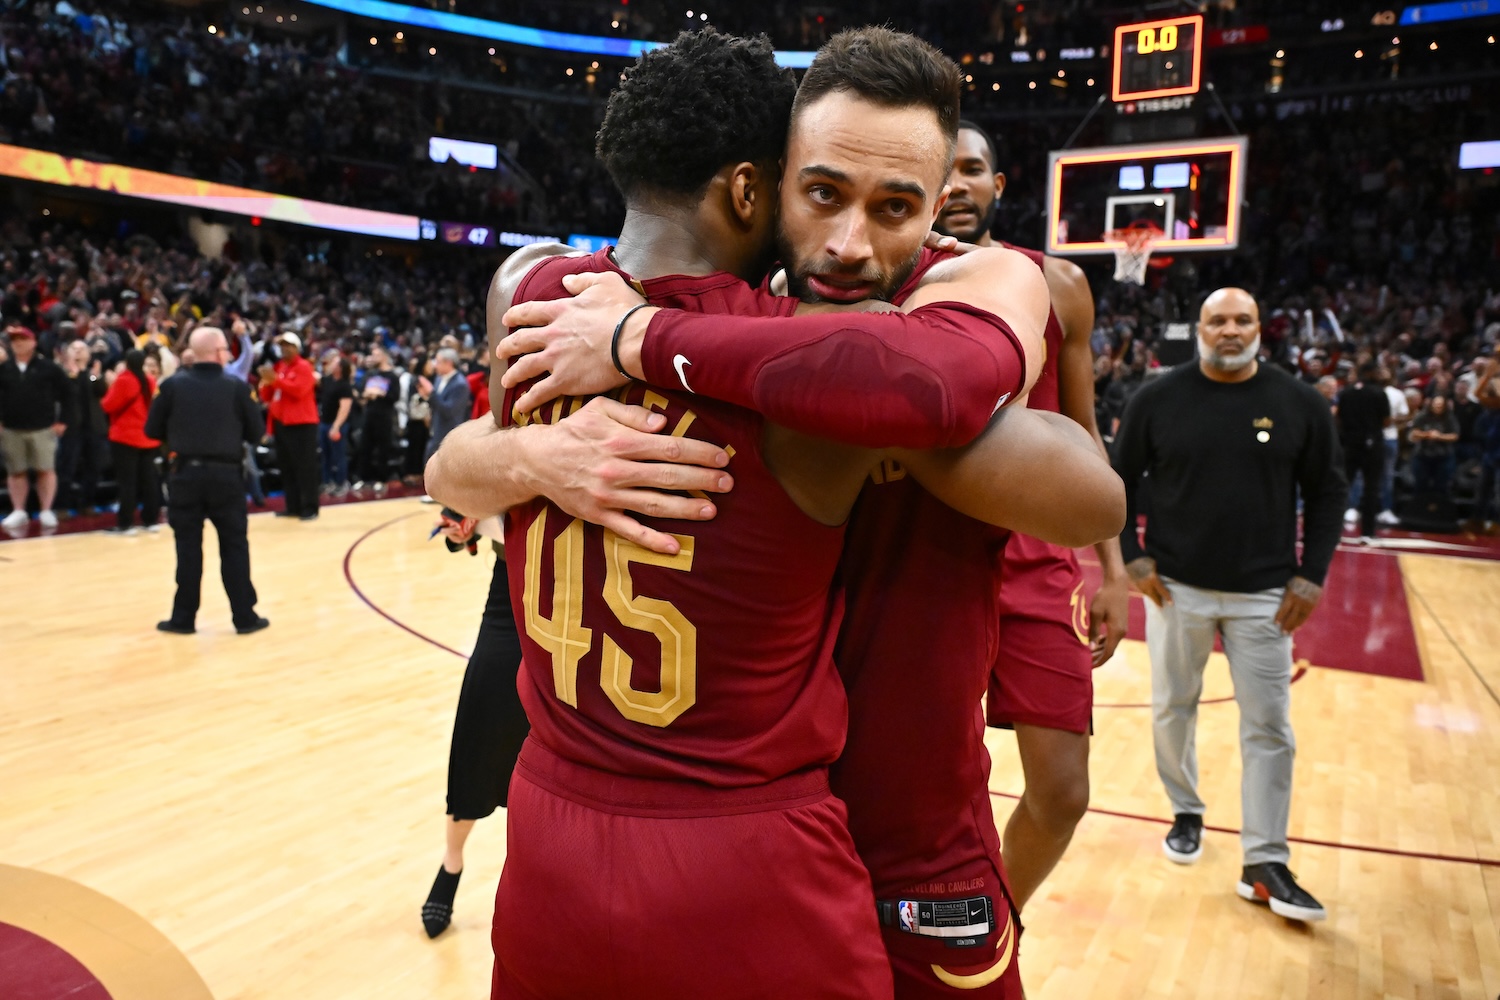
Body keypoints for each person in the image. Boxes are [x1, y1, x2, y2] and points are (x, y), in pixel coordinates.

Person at [431, 28, 1122, 1000]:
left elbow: (1088, 488)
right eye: (824, 193)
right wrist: (527, 455)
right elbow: (451, 469)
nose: (848, 242)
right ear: (770, 183)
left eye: (894, 209)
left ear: (940, 214)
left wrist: (642, 340)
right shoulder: (687, 315)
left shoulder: (958, 297)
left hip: (903, 835)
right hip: (748, 831)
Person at [934, 117, 1131, 912]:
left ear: (997, 186)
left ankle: (992, 924)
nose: (955, 185)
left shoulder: (1059, 285)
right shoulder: (882, 280)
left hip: (1036, 559)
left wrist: (1115, 569)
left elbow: (1084, 433)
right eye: (939, 170)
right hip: (930, 554)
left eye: (972, 169)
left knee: (1062, 792)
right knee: (927, 782)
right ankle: (919, 937)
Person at [1113, 287, 1346, 923]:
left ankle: (1265, 861)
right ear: (1200, 328)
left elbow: (1328, 493)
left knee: (1270, 726)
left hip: (1266, 597)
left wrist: (1312, 574)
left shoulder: (1297, 402)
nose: (1230, 330)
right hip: (1174, 587)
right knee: (1172, 710)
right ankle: (1186, 810)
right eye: (1218, 320)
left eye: (1242, 319)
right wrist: (1131, 554)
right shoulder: (1156, 398)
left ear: (1259, 330)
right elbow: (1117, 479)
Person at [419, 515, 528, 940]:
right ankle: (452, 860)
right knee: (479, 724)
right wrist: (462, 519)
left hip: (592, 583)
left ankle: (543, 881)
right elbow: (461, 485)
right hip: (512, 582)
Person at [145, 326, 268, 636]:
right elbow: (256, 433)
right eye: (226, 349)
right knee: (234, 547)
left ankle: (183, 618)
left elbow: (151, 430)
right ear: (217, 352)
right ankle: (244, 617)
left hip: (185, 475)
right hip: (226, 476)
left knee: (187, 548)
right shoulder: (237, 387)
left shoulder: (171, 386)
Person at [0, 324, 75, 531]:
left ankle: (46, 510)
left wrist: (63, 421)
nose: (17, 344)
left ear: (33, 342)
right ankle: (18, 510)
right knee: (16, 471)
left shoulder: (48, 368)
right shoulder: (4, 369)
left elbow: (68, 395)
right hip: (12, 429)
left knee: (46, 470)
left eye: (22, 340)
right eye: (14, 341)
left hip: (43, 428)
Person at [260, 331, 320, 520]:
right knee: (287, 467)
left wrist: (276, 380)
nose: (284, 349)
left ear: (296, 348)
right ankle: (293, 506)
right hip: (282, 423)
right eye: (281, 345)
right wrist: (266, 384)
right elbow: (268, 397)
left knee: (305, 467)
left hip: (301, 424)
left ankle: (310, 507)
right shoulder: (280, 367)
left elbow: (299, 391)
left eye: (288, 345)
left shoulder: (303, 367)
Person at [100, 349, 161, 534]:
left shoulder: (124, 380)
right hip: (147, 437)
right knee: (149, 481)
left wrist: (109, 385)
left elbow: (108, 405)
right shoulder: (149, 380)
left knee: (128, 482)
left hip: (125, 437)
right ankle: (151, 521)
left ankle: (126, 523)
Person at [1337, 363, 1391, 541]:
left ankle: (1334, 530)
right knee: (1371, 488)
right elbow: (1387, 421)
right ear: (1370, 373)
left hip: (1350, 444)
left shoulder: (1346, 392)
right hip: (1372, 444)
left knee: (1343, 486)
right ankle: (1367, 532)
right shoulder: (1378, 392)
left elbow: (1339, 418)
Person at [352, 344, 399, 493]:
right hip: (369, 414)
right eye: (372, 355)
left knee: (383, 448)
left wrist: (380, 393)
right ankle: (364, 478)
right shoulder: (370, 374)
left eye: (377, 354)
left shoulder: (392, 376)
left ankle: (382, 479)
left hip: (384, 416)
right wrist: (366, 395)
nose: (373, 358)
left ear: (384, 356)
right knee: (365, 447)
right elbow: (362, 393)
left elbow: (395, 396)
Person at [419, 347, 472, 463]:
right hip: (435, 430)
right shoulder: (438, 379)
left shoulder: (460, 384)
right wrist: (427, 397)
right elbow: (436, 403)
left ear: (448, 363)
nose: (435, 365)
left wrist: (431, 393)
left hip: (448, 435)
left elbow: (449, 411)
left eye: (438, 362)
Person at [1408, 393, 1459, 495]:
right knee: (1421, 484)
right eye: (1436, 404)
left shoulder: (1449, 418)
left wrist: (1439, 436)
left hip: (1443, 456)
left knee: (1441, 485)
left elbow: (1455, 436)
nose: (1438, 407)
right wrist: (1428, 434)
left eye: (1440, 405)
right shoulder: (1422, 416)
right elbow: (1414, 433)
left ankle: (1441, 507)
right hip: (1423, 455)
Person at [317, 352, 353, 497]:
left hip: (336, 425)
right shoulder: (327, 380)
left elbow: (345, 408)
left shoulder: (345, 386)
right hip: (324, 423)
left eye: (335, 363)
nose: (331, 364)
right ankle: (328, 482)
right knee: (325, 455)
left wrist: (336, 426)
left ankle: (341, 482)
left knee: (339, 455)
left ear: (340, 367)